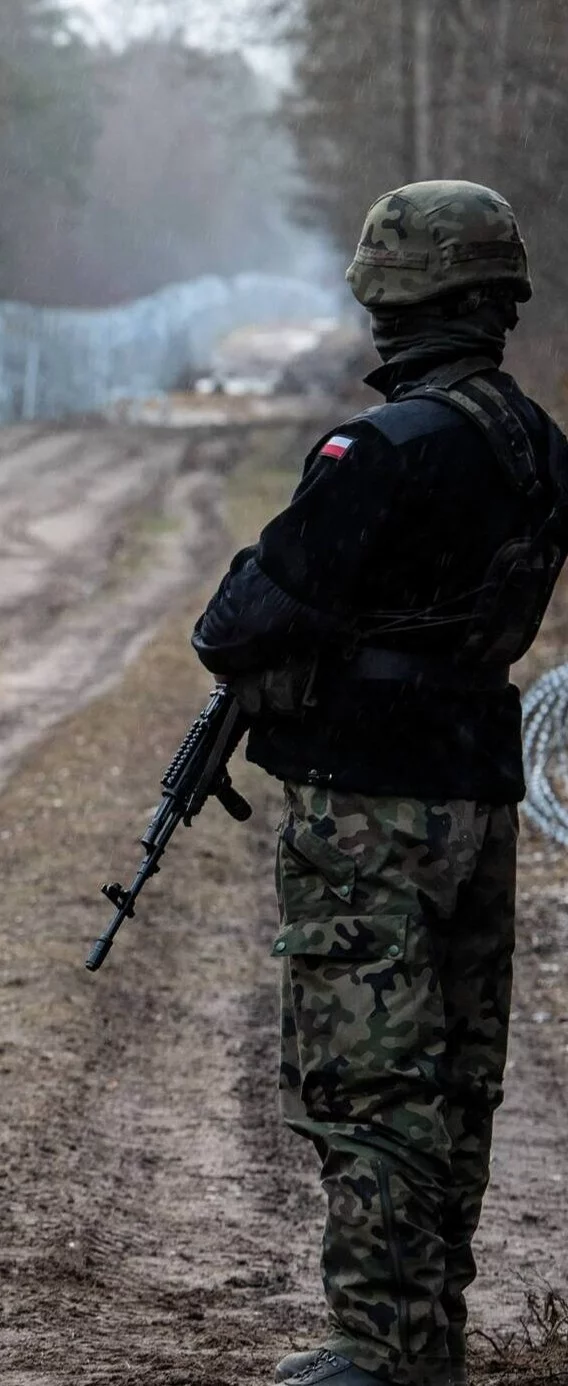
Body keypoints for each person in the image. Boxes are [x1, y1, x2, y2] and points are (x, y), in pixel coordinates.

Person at [192, 181, 568, 1386]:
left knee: (367, 1078)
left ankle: (377, 1346)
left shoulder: (382, 448)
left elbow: (240, 622)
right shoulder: (537, 444)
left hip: (369, 802)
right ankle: (428, 1337)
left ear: (392, 292)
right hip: (476, 786)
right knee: (455, 1072)